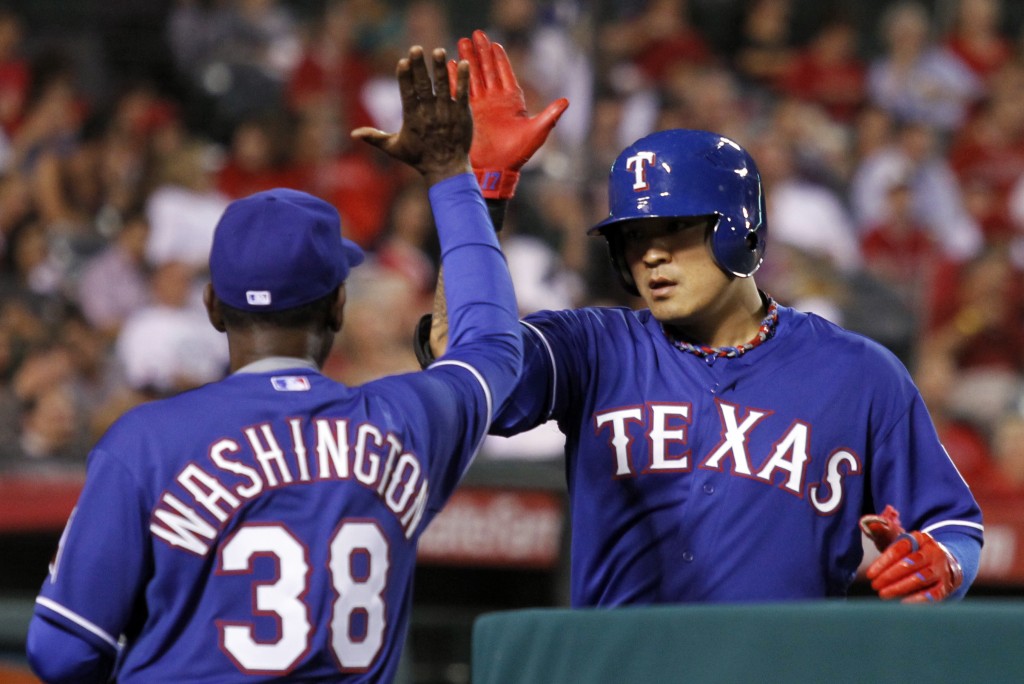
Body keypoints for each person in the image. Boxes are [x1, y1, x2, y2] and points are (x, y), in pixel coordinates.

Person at [420, 30, 983, 605]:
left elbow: (952, 527)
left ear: (741, 232)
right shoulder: (592, 348)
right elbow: (460, 355)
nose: (651, 254)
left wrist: (943, 564)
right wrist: (480, 193)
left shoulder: (860, 374)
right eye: (633, 238)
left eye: (674, 230)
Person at [25, 44, 522, 683]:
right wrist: (456, 175)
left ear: (212, 305)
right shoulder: (402, 424)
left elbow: (62, 651)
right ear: (338, 307)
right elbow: (492, 348)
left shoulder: (145, 442)